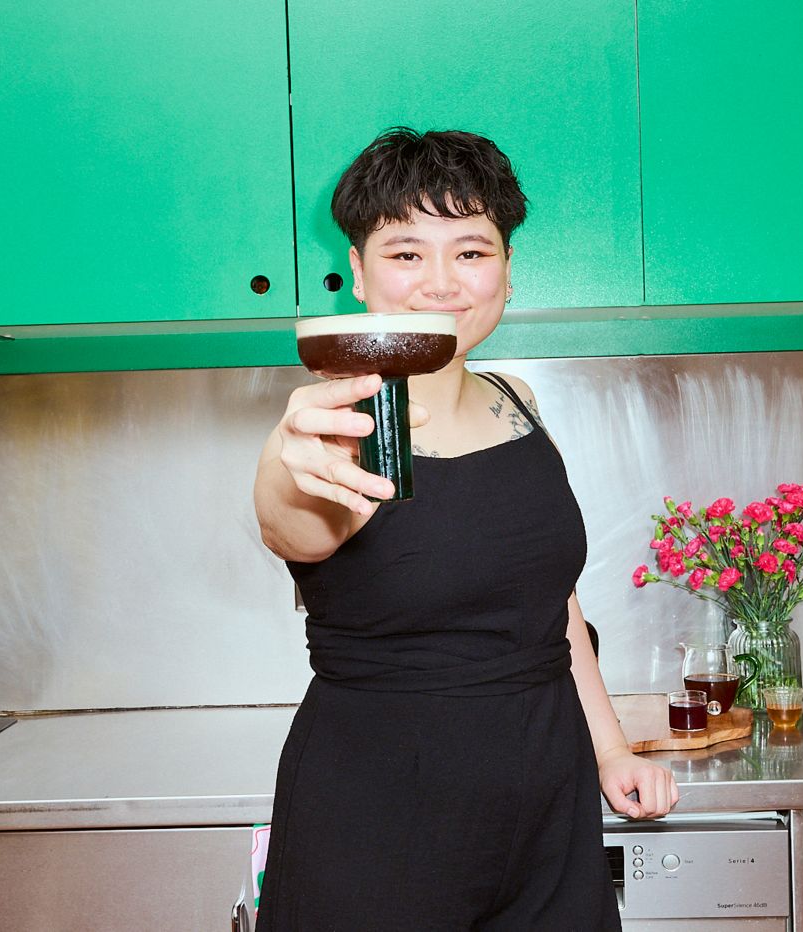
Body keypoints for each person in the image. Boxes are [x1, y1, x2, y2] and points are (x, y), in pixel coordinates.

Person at [253, 127, 678, 930]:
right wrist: (289, 460)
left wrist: (612, 748)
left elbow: (554, 609)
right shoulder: (332, 426)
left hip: (546, 806)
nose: (441, 282)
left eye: (471, 252)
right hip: (379, 816)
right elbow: (293, 531)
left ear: (507, 270)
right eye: (407, 253)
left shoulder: (518, 401)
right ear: (359, 268)